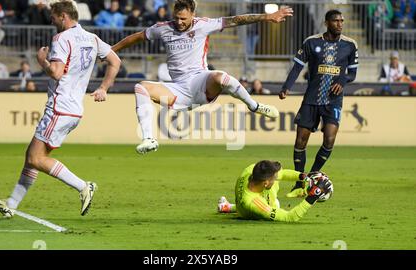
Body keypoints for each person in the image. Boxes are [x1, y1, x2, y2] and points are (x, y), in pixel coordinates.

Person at [0, 0, 121, 218]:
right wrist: (104, 88)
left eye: (54, 16)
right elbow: (115, 61)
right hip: (74, 109)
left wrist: (42, 61)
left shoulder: (61, 38)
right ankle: (11, 204)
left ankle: (83, 186)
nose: (51, 20)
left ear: (63, 17)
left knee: (35, 159)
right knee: (33, 156)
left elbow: (56, 73)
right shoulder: (92, 38)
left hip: (59, 107)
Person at [111, 0, 291, 154]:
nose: (179, 22)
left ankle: (255, 105)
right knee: (140, 87)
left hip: (200, 82)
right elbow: (136, 37)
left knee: (221, 77)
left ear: (193, 14)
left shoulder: (203, 24)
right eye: (176, 18)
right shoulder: (163, 29)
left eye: (183, 18)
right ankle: (149, 138)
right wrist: (111, 51)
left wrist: (266, 17)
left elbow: (236, 20)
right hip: (177, 88)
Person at [279, 10, 358, 197]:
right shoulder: (311, 42)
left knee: (329, 138)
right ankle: (299, 183)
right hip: (312, 98)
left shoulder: (350, 45)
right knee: (300, 140)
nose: (340, 24)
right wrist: (286, 87)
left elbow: (352, 74)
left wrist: (342, 81)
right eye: (336, 21)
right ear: (326, 23)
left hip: (333, 101)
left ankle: (312, 176)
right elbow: (297, 66)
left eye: (342, 21)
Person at [217, 160, 332, 222]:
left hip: (244, 203)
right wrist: (312, 197)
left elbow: (282, 173)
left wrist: (305, 176)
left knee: (275, 183)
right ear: (266, 183)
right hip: (249, 212)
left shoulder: (251, 170)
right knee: (276, 204)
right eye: (273, 177)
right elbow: (289, 217)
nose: (277, 177)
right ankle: (230, 207)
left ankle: (227, 207)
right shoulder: (253, 202)